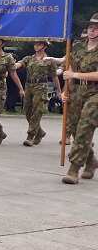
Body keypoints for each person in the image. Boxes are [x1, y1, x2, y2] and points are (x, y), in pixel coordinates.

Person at [61, 13, 98, 184]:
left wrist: (75, 74)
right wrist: (65, 90)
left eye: (96, 28)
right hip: (77, 90)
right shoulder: (77, 47)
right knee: (75, 129)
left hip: (95, 93)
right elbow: (69, 69)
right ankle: (91, 161)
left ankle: (74, 168)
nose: (93, 31)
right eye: (91, 27)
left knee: (84, 127)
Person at [14, 40, 61, 146]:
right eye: (35, 44)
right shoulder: (29, 58)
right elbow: (19, 64)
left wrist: (58, 90)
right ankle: (40, 132)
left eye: (39, 44)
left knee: (37, 111)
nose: (36, 46)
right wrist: (14, 65)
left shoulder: (49, 60)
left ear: (44, 46)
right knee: (27, 111)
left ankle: (30, 136)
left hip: (41, 87)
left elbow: (54, 76)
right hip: (29, 86)